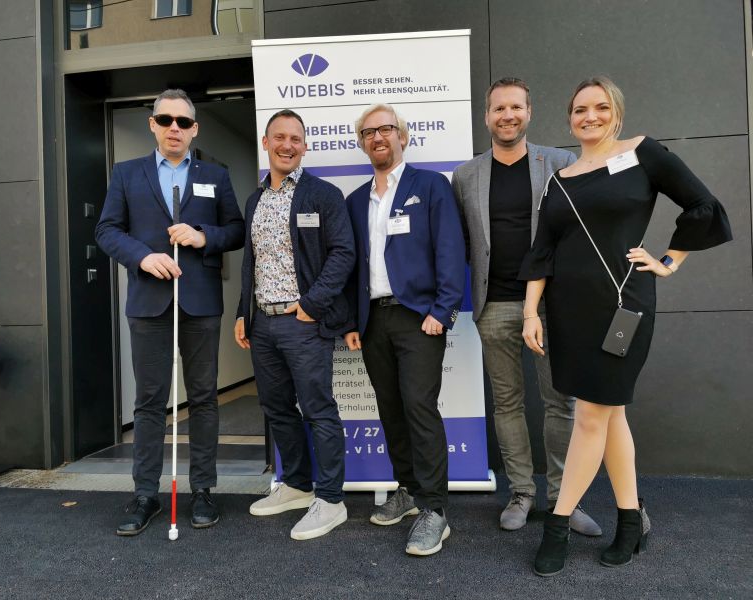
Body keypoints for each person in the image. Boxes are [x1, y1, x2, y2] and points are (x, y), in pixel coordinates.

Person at [520, 76, 732, 576]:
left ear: (615, 111)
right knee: (610, 415)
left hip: (623, 306)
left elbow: (702, 205)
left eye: (599, 107)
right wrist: (531, 311)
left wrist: (669, 260)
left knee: (591, 416)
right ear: (568, 118)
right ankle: (632, 520)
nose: (588, 117)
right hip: (570, 312)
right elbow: (541, 252)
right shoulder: (560, 179)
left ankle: (558, 524)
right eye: (578, 110)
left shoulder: (643, 153)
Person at [452, 78, 601, 536]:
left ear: (529, 112)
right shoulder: (466, 175)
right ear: (487, 117)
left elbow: (581, 236)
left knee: (561, 402)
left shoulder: (560, 162)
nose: (507, 116)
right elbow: (460, 243)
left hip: (553, 306)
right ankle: (521, 492)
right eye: (498, 109)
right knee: (508, 403)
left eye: (515, 107)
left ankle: (563, 497)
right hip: (494, 304)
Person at [95, 89, 244, 536]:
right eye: (165, 120)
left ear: (195, 128)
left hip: (199, 302)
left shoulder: (215, 175)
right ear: (153, 124)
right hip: (148, 300)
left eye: (183, 121)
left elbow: (236, 230)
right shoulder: (126, 174)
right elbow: (107, 230)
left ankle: (202, 491)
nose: (174, 128)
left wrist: (203, 236)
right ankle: (145, 495)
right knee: (149, 401)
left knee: (202, 398)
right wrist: (141, 256)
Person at [344, 103, 465, 556]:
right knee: (390, 409)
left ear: (403, 136)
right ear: (362, 142)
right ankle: (408, 489)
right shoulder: (356, 200)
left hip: (419, 317)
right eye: (368, 132)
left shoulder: (430, 186)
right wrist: (352, 323)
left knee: (419, 407)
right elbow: (352, 266)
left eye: (386, 129)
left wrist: (444, 309)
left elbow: (451, 251)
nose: (378, 137)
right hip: (373, 320)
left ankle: (435, 510)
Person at [234, 109, 354, 540]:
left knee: (319, 409)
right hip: (262, 324)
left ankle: (331, 498)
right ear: (266, 142)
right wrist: (241, 314)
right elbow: (252, 261)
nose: (288, 145)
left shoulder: (322, 195)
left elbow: (343, 253)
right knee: (277, 409)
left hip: (303, 322)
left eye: (296, 139)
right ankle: (299, 485)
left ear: (305, 146)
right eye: (279, 137)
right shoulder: (255, 200)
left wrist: (311, 305)